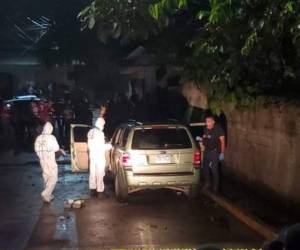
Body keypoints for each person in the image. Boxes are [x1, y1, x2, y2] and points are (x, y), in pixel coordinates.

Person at [34, 122, 65, 203]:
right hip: (50, 159)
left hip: (42, 160)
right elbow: (56, 148)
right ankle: (45, 193)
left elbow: (36, 149)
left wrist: (41, 155)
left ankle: (48, 196)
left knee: (46, 176)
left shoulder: (38, 138)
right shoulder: (51, 138)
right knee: (54, 177)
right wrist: (61, 151)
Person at [87, 117, 112, 198]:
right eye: (103, 125)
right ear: (101, 124)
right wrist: (109, 145)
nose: (103, 126)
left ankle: (92, 190)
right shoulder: (100, 133)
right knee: (100, 173)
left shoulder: (91, 132)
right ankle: (100, 191)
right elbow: (101, 147)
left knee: (92, 173)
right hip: (99, 156)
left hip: (92, 155)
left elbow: (91, 145)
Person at [201, 115, 225, 193]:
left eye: (208, 121)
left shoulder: (218, 129)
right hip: (207, 151)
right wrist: (203, 139)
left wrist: (222, 153)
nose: (206, 123)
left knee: (214, 170)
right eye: (206, 121)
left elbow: (222, 141)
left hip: (215, 152)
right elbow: (204, 141)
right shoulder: (206, 129)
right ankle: (207, 183)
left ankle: (215, 188)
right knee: (205, 168)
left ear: (213, 122)